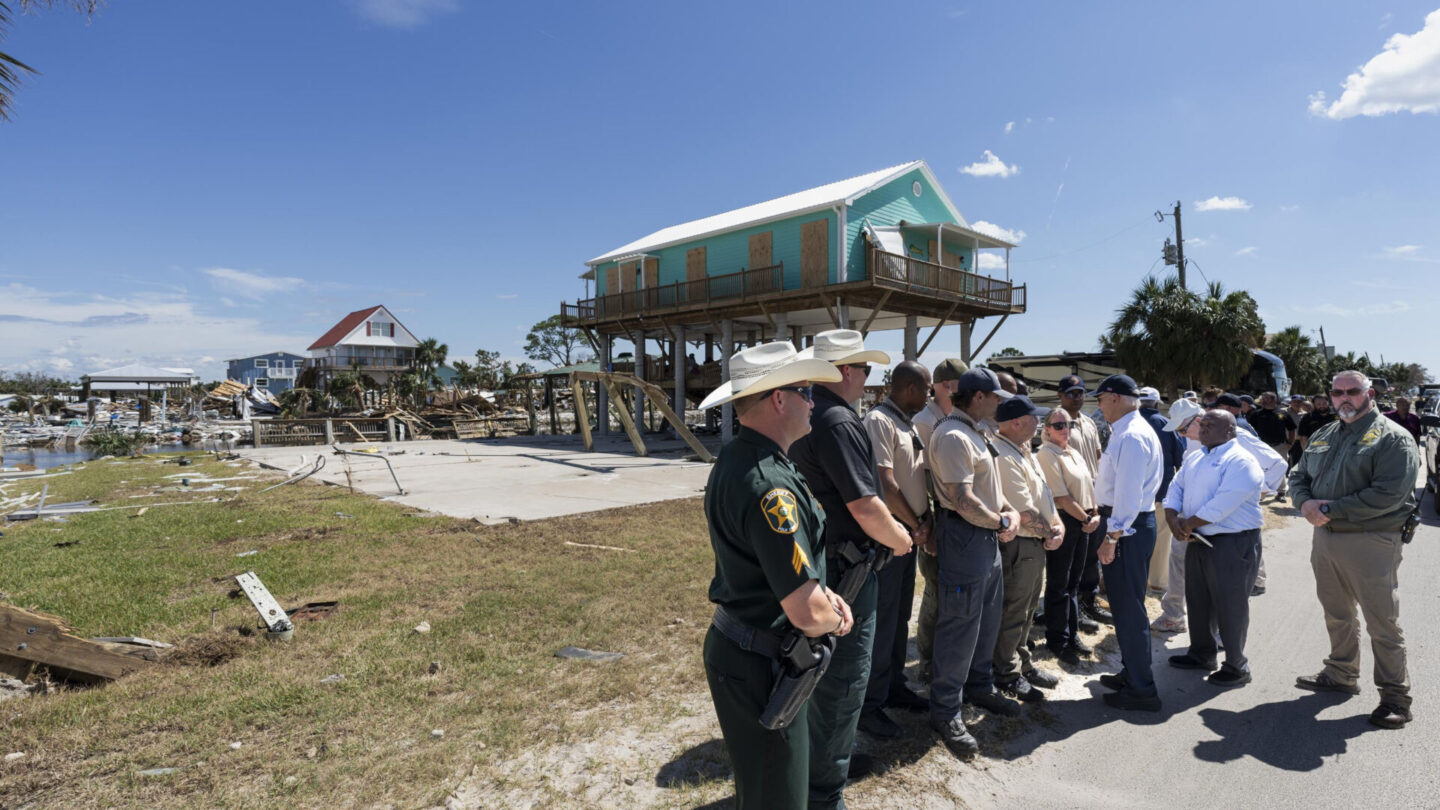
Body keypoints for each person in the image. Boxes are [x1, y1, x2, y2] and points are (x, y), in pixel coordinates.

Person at [698, 342, 853, 809]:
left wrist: (823, 592)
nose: (814, 401)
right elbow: (806, 613)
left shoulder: (745, 458)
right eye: (805, 390)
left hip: (751, 652)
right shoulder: (770, 484)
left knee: (768, 788)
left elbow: (781, 568)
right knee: (777, 797)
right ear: (778, 400)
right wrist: (833, 618)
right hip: (762, 662)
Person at [787, 329, 911, 805]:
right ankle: (824, 790)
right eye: (863, 368)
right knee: (842, 684)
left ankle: (823, 764)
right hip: (848, 570)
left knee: (822, 682)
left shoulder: (814, 413)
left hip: (825, 563)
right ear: (843, 371)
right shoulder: (838, 420)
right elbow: (865, 505)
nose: (867, 378)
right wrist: (902, 539)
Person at [1290, 370, 1422, 730]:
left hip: (1371, 539)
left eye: (1353, 391)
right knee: (1336, 611)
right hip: (1325, 538)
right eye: (1337, 392)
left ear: (1370, 394)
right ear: (1330, 396)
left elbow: (1388, 493)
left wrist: (1328, 509)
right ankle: (1341, 673)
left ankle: (1396, 697)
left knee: (1382, 620)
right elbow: (1298, 475)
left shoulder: (1394, 439)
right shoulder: (1325, 433)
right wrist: (1304, 505)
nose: (1344, 397)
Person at [928, 367, 1021, 758]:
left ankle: (979, 687)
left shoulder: (973, 431)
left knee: (985, 618)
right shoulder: (952, 435)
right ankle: (946, 707)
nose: (1001, 402)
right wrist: (1000, 520)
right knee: (960, 623)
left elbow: (989, 491)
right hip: (965, 536)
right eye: (996, 396)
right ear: (978, 396)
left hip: (982, 537)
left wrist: (1009, 512)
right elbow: (964, 500)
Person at [1163, 409, 1264, 687]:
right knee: (1198, 600)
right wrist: (1172, 517)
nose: (1203, 429)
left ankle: (1237, 664)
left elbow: (1223, 503)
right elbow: (1176, 488)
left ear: (1229, 431)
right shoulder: (1195, 457)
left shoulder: (1241, 460)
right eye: (1202, 424)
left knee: (1230, 604)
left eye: (1210, 425)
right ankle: (1202, 653)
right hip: (1197, 539)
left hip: (1232, 542)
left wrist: (1188, 523)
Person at [859, 361, 933, 739]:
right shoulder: (879, 422)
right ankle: (869, 705)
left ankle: (893, 686)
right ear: (907, 387)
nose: (930, 395)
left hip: (909, 536)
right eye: (926, 388)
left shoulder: (904, 422)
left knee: (899, 616)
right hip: (892, 535)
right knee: (882, 621)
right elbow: (884, 485)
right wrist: (916, 523)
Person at [1092, 374, 1164, 711]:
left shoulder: (1132, 436)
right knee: (1125, 605)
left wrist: (1112, 536)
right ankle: (1132, 672)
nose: (1099, 405)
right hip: (1128, 524)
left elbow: (1128, 495)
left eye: (1101, 399)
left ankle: (1141, 688)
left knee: (1129, 608)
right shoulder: (1129, 430)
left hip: (1126, 526)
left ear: (1115, 398)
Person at [991, 395, 1065, 702]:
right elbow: (1022, 511)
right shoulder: (1003, 455)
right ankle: (1006, 672)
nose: (1039, 425)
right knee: (1014, 610)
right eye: (1034, 419)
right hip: (1022, 543)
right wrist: (1052, 532)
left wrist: (1057, 525)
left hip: (1036, 542)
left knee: (1028, 609)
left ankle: (1022, 664)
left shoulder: (1023, 451)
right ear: (1015, 423)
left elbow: (1044, 497)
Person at [911, 357, 967, 684]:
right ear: (947, 386)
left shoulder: (948, 417)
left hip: (953, 520)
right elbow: (923, 483)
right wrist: (929, 528)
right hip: (935, 520)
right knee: (934, 593)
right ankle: (927, 662)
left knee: (950, 596)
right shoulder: (924, 421)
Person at [1037, 406, 1103, 665]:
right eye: (1059, 425)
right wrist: (1087, 518)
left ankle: (1071, 633)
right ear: (1047, 429)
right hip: (1067, 521)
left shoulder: (1073, 451)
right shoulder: (1046, 454)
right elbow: (1061, 497)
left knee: (1073, 583)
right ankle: (1058, 639)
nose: (1065, 430)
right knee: (1059, 584)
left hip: (1085, 520)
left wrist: (1094, 513)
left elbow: (1089, 485)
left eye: (1069, 425)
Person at [1057, 374, 1110, 630]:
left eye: (1080, 393)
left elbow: (1098, 457)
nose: (1076, 398)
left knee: (1090, 555)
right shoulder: (1057, 422)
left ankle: (1089, 602)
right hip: (1072, 499)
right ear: (1060, 395)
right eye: (1071, 393)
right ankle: (1073, 610)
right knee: (1072, 562)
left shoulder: (1088, 422)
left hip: (1093, 496)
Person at [1152, 399, 1205, 634]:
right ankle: (1174, 615)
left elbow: (1273, 467)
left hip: (1214, 522)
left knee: (1213, 576)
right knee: (1178, 563)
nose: (1181, 435)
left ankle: (1219, 632)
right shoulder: (1192, 443)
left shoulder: (1233, 436)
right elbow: (1180, 480)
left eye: (1183, 429)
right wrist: (1173, 512)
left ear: (1199, 420)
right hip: (1187, 518)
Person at [1138, 386, 1184, 596]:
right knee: (1162, 537)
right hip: (1160, 491)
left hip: (1134, 492)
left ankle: (1137, 578)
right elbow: (1179, 459)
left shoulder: (1129, 423)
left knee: (1134, 536)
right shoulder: (1166, 424)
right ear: (1157, 404)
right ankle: (1156, 582)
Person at [1249, 391, 1298, 502]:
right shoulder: (1256, 414)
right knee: (1258, 468)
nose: (1262, 400)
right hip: (1261, 447)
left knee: (1281, 468)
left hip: (1280, 446)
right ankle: (1260, 492)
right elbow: (1250, 430)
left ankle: (1281, 493)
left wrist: (1290, 443)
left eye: (1266, 398)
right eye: (1263, 398)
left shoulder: (1283, 413)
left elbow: (1292, 429)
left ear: (1274, 400)